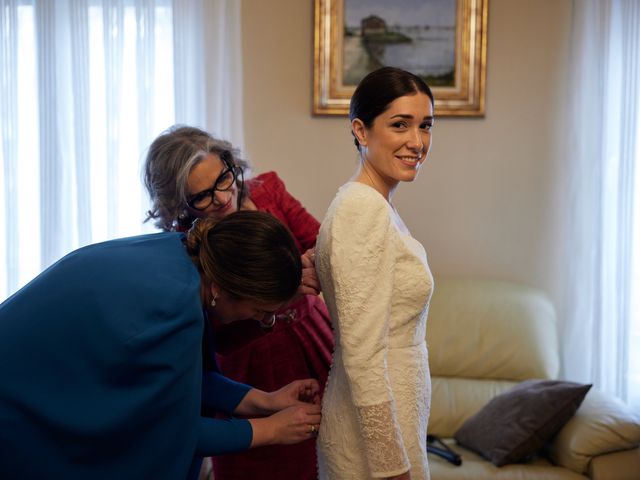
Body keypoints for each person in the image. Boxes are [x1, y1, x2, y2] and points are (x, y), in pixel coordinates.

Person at [0, 211, 322, 480]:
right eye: (260, 312)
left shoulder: (182, 253)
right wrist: (271, 431)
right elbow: (169, 432)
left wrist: (265, 401)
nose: (258, 320)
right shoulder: (177, 306)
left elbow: (174, 382)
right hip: (19, 401)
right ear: (224, 288)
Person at [143, 126, 334, 479]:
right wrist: (276, 301)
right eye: (201, 196)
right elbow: (216, 336)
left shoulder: (269, 192)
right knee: (262, 464)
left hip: (313, 339)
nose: (220, 197)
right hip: (251, 365)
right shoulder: (185, 250)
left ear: (231, 163)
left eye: (223, 178)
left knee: (330, 452)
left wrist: (313, 262)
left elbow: (322, 242)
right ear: (178, 203)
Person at [315, 67, 436, 480]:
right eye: (400, 125)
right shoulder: (360, 209)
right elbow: (362, 355)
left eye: (425, 126)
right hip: (376, 446)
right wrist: (391, 468)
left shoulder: (376, 205)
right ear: (361, 131)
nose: (416, 142)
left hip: (400, 418)